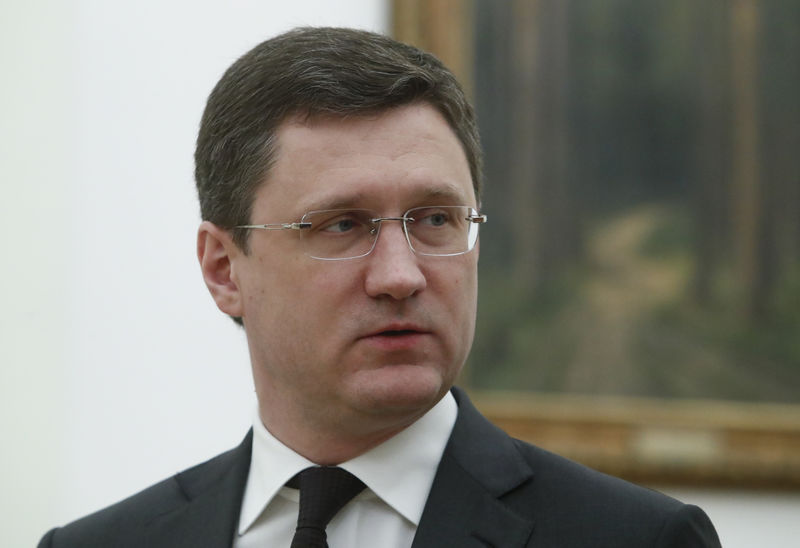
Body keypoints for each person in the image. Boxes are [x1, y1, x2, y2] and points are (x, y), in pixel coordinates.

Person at [38, 27, 721, 547]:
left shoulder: (635, 540)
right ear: (223, 268)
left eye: (434, 219)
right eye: (341, 224)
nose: (402, 274)